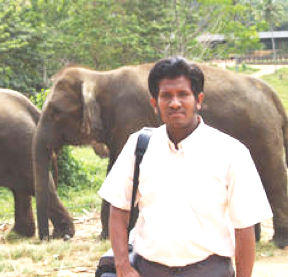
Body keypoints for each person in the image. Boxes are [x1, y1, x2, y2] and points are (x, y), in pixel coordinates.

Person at [98, 57, 273, 277]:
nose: (174, 103)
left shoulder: (230, 152)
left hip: (209, 270)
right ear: (154, 103)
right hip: (148, 269)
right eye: (166, 96)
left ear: (198, 100)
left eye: (183, 94)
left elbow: (245, 228)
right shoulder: (139, 146)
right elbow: (119, 208)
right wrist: (123, 267)